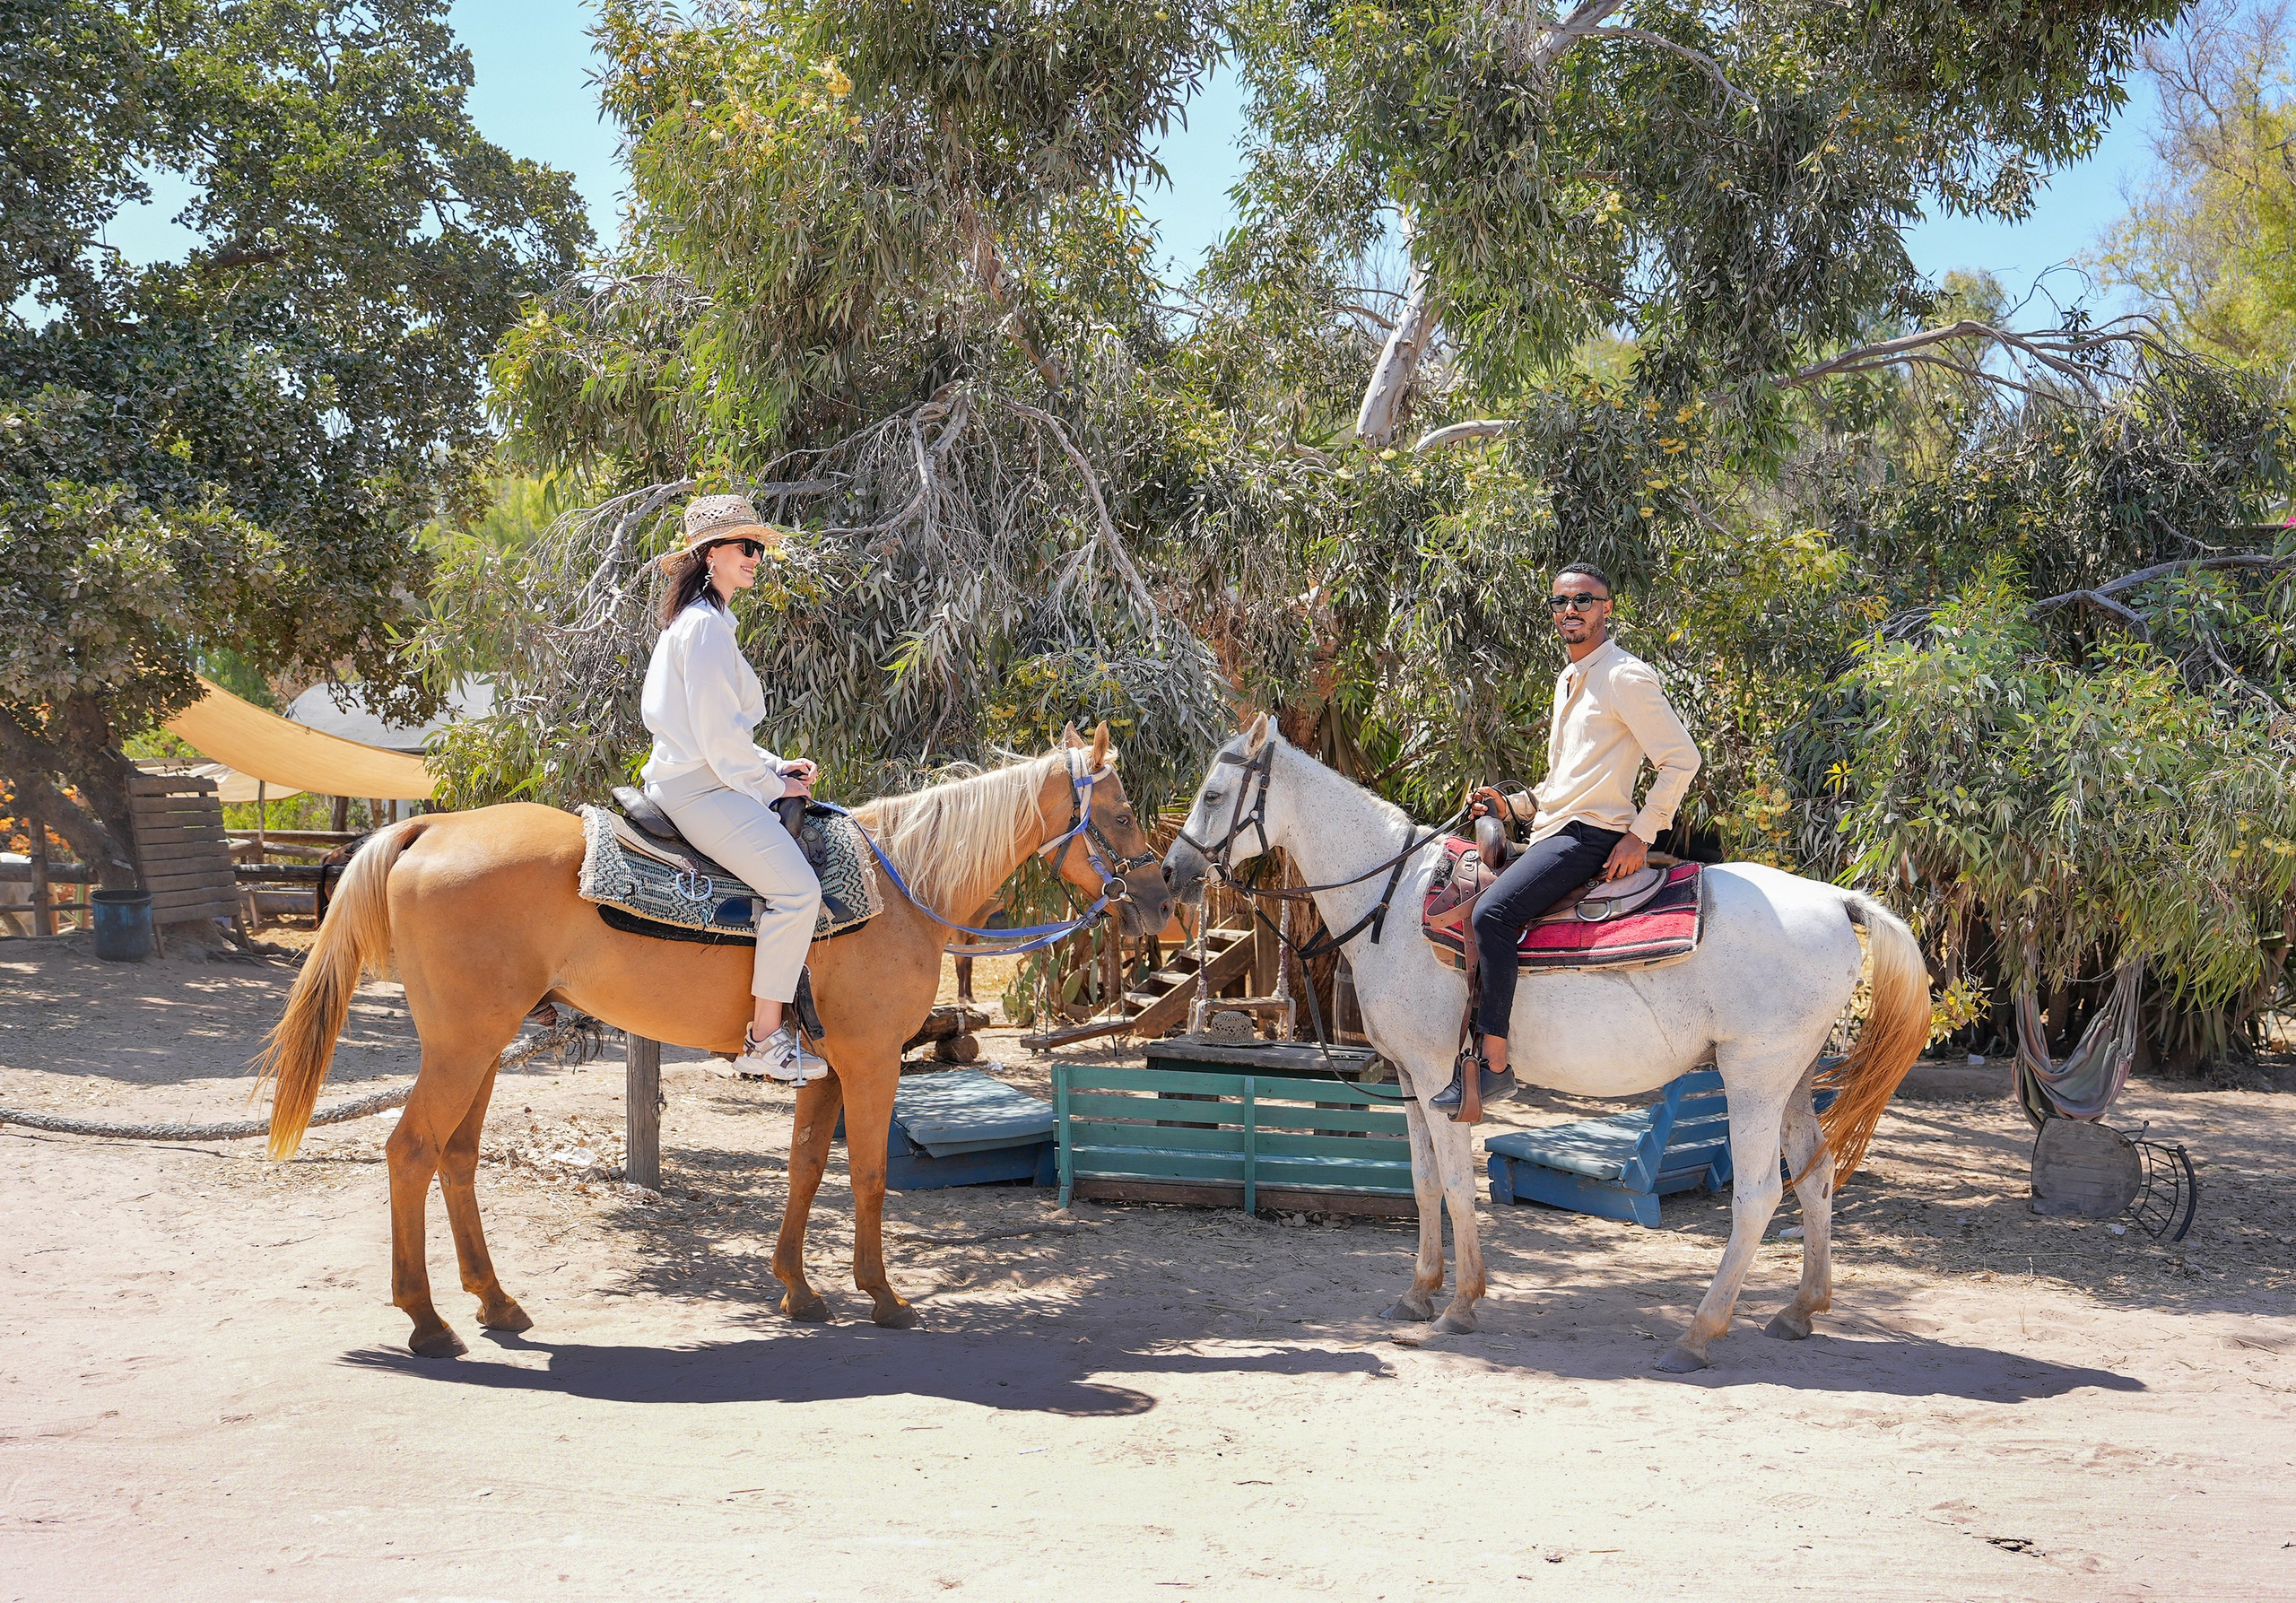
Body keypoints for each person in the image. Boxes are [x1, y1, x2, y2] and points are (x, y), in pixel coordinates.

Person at [1433, 561, 1701, 1120]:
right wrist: (1514, 806)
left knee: (1491, 916)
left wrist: (1637, 836)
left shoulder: (1624, 676)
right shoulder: (1569, 678)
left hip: (1592, 835)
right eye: (1560, 602)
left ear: (1607, 610)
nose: (1571, 610)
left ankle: (1495, 1066)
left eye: (1584, 599)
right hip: (1560, 826)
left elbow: (1682, 759)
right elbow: (1566, 782)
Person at [640, 493, 827, 1083]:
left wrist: (776, 765)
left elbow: (724, 734)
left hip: (698, 777)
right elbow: (720, 747)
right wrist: (772, 786)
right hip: (701, 790)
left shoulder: (707, 622)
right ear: (709, 554)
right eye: (745, 546)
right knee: (798, 892)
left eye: (757, 547)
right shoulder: (706, 630)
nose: (755, 556)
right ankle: (766, 1040)